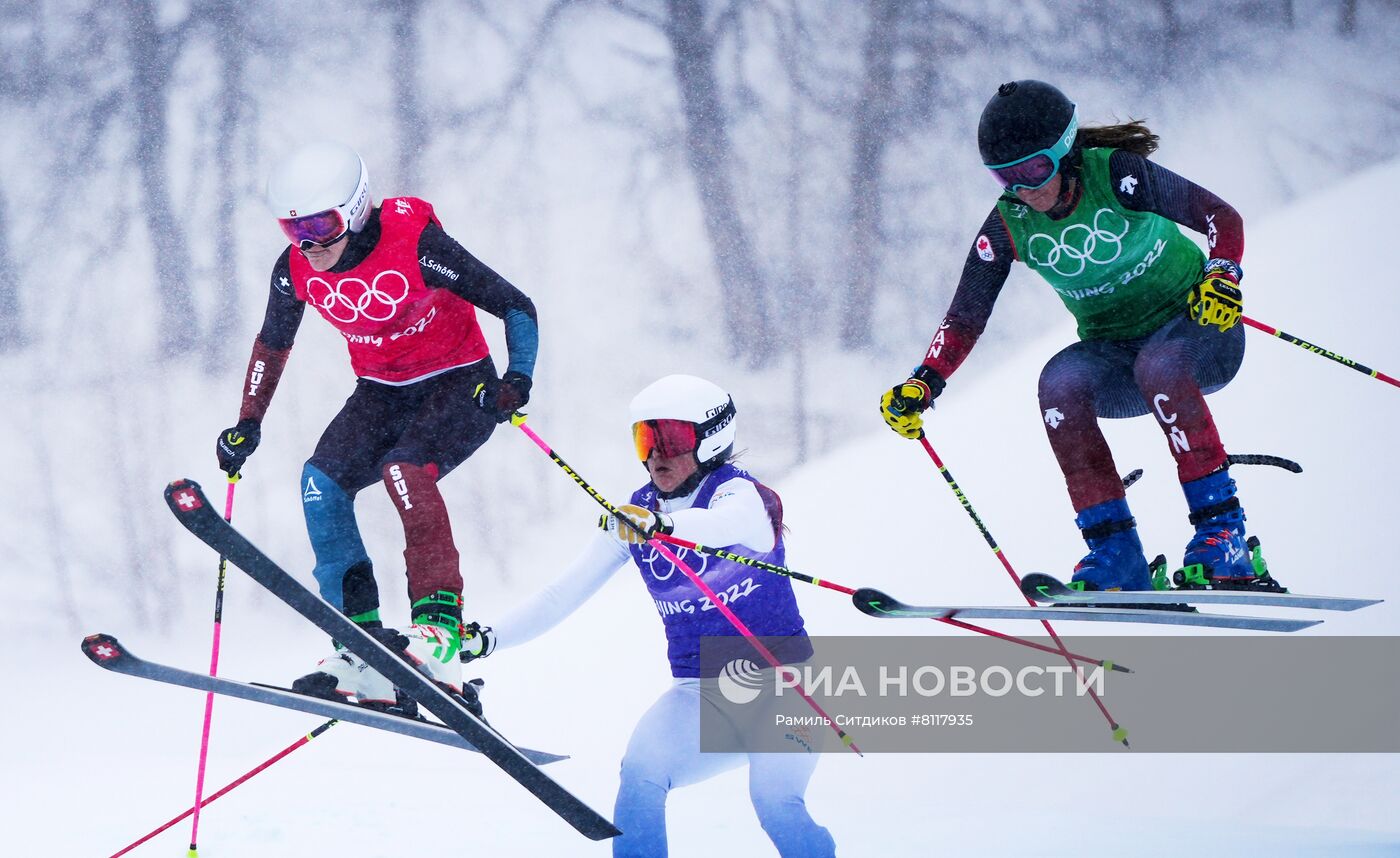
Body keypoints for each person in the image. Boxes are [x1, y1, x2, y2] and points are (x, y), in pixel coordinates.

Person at [880, 79, 1285, 593]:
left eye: (1034, 169)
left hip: (1200, 330)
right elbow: (964, 317)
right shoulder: (1010, 223)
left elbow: (1220, 218)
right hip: (1118, 353)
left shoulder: (1116, 174)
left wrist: (1222, 275)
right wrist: (924, 382)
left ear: (1066, 151)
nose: (1025, 188)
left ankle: (1224, 535)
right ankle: (1116, 555)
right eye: (1006, 177)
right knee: (1060, 384)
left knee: (1159, 365)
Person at [214, 140, 535, 707]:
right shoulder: (295, 270)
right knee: (320, 482)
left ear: (357, 209)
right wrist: (249, 421)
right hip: (381, 393)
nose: (309, 244)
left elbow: (515, 305)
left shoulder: (416, 244)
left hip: (459, 385)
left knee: (403, 471)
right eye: (294, 231)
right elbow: (272, 342)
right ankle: (358, 643)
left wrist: (517, 379)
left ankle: (441, 636)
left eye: (320, 224)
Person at [484, 374, 836, 857]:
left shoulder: (742, 496)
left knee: (775, 804)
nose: (655, 455)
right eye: (644, 440)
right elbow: (558, 596)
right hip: (699, 694)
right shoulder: (635, 515)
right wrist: (486, 639)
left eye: (669, 439)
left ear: (711, 439)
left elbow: (717, 526)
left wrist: (662, 525)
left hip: (785, 687)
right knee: (640, 775)